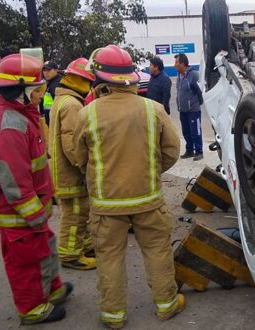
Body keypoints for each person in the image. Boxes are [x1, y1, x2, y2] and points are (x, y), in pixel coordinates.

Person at [74, 45, 184, 329]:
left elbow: (79, 156)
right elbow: (172, 151)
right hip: (148, 199)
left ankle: (113, 316)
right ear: (131, 77)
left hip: (106, 205)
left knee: (109, 257)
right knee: (158, 251)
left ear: (100, 78)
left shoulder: (89, 114)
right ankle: (167, 305)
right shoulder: (153, 109)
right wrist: (150, 171)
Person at [0, 53, 72, 325]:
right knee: (26, 260)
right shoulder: (9, 126)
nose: (42, 93)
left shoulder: (15, 114)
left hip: (28, 207)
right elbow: (15, 183)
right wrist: (34, 214)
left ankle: (51, 291)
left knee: (44, 247)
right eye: (37, 89)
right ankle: (32, 309)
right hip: (17, 211)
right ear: (22, 91)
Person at [48, 58, 97, 270]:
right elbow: (72, 144)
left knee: (81, 210)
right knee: (75, 213)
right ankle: (70, 255)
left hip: (63, 169)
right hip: (71, 172)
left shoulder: (63, 100)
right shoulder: (72, 104)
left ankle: (85, 246)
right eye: (87, 81)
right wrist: (84, 166)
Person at [174, 53, 204, 161]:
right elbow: (178, 92)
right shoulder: (179, 76)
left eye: (176, 62)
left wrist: (197, 104)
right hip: (183, 110)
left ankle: (199, 151)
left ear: (182, 64)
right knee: (186, 132)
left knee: (195, 131)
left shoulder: (194, 75)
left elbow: (200, 91)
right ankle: (189, 150)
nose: (174, 65)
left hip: (193, 110)